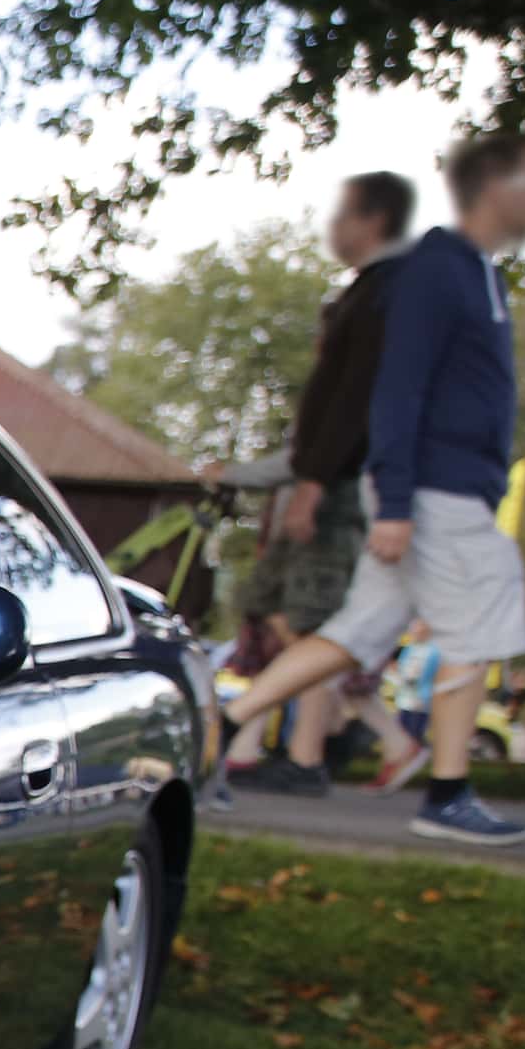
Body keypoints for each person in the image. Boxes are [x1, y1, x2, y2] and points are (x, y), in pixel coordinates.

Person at [209, 130, 525, 848]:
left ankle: (215, 729)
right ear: (494, 186)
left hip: (448, 487)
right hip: (433, 488)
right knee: (475, 628)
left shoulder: (480, 273)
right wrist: (395, 502)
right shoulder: (437, 270)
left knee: (356, 631)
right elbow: (396, 392)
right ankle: (449, 794)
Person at [198, 169, 416, 798]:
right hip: (321, 483)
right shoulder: (361, 298)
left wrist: (313, 486)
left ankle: (301, 751)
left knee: (324, 625)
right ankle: (247, 742)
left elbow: (350, 411)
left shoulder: (382, 301)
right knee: (279, 612)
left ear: (372, 220)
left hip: (337, 490)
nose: (333, 228)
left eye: (342, 215)